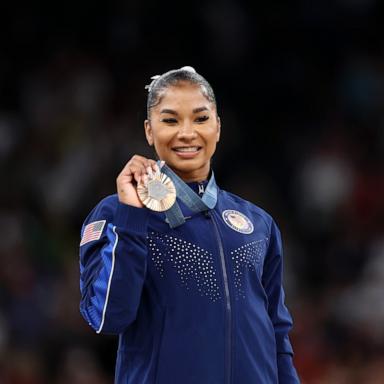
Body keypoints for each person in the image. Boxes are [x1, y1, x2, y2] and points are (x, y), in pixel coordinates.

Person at [79, 66, 300, 383]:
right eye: (170, 120)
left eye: (200, 118)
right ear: (149, 131)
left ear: (218, 127)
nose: (187, 132)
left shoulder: (258, 222)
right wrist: (131, 218)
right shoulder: (117, 213)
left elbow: (277, 332)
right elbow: (107, 317)